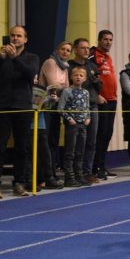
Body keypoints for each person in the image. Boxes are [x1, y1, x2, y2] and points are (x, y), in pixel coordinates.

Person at [0, 25, 39, 199]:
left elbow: (30, 73)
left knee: (22, 147)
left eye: (18, 35)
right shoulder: (1, 57)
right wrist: (1, 59)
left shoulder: (32, 57)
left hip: (23, 107)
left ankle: (19, 182)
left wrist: (15, 58)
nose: (15, 38)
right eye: (12, 35)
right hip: (3, 107)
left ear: (25, 39)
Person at [69, 38, 102, 184]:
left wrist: (97, 82)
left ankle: (87, 172)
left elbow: (99, 88)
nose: (86, 50)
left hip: (92, 107)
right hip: (76, 108)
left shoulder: (92, 65)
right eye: (83, 48)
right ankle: (74, 172)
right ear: (75, 49)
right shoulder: (70, 66)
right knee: (76, 142)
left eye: (88, 48)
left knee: (91, 141)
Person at [39, 41, 72, 172]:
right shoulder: (50, 62)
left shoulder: (65, 66)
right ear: (57, 50)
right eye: (63, 49)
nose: (65, 52)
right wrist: (62, 87)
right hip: (46, 106)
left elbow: (67, 88)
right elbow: (53, 85)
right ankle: (45, 172)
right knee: (45, 140)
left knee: (54, 139)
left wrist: (62, 87)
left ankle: (52, 171)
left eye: (68, 50)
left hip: (57, 104)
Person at [59, 65, 92, 187]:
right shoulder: (67, 91)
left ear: (85, 78)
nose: (78, 77)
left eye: (81, 75)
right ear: (71, 77)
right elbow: (60, 108)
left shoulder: (86, 92)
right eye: (76, 75)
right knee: (70, 151)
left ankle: (79, 175)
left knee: (80, 151)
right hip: (72, 125)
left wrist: (88, 117)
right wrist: (69, 119)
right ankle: (69, 177)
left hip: (83, 125)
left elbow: (87, 107)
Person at [92, 29, 118, 180]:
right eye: (105, 39)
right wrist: (97, 95)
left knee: (107, 134)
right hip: (102, 101)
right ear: (99, 40)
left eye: (110, 40)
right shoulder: (93, 55)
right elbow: (89, 76)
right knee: (100, 135)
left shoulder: (108, 57)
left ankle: (101, 166)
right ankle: (95, 167)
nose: (108, 42)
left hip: (112, 100)